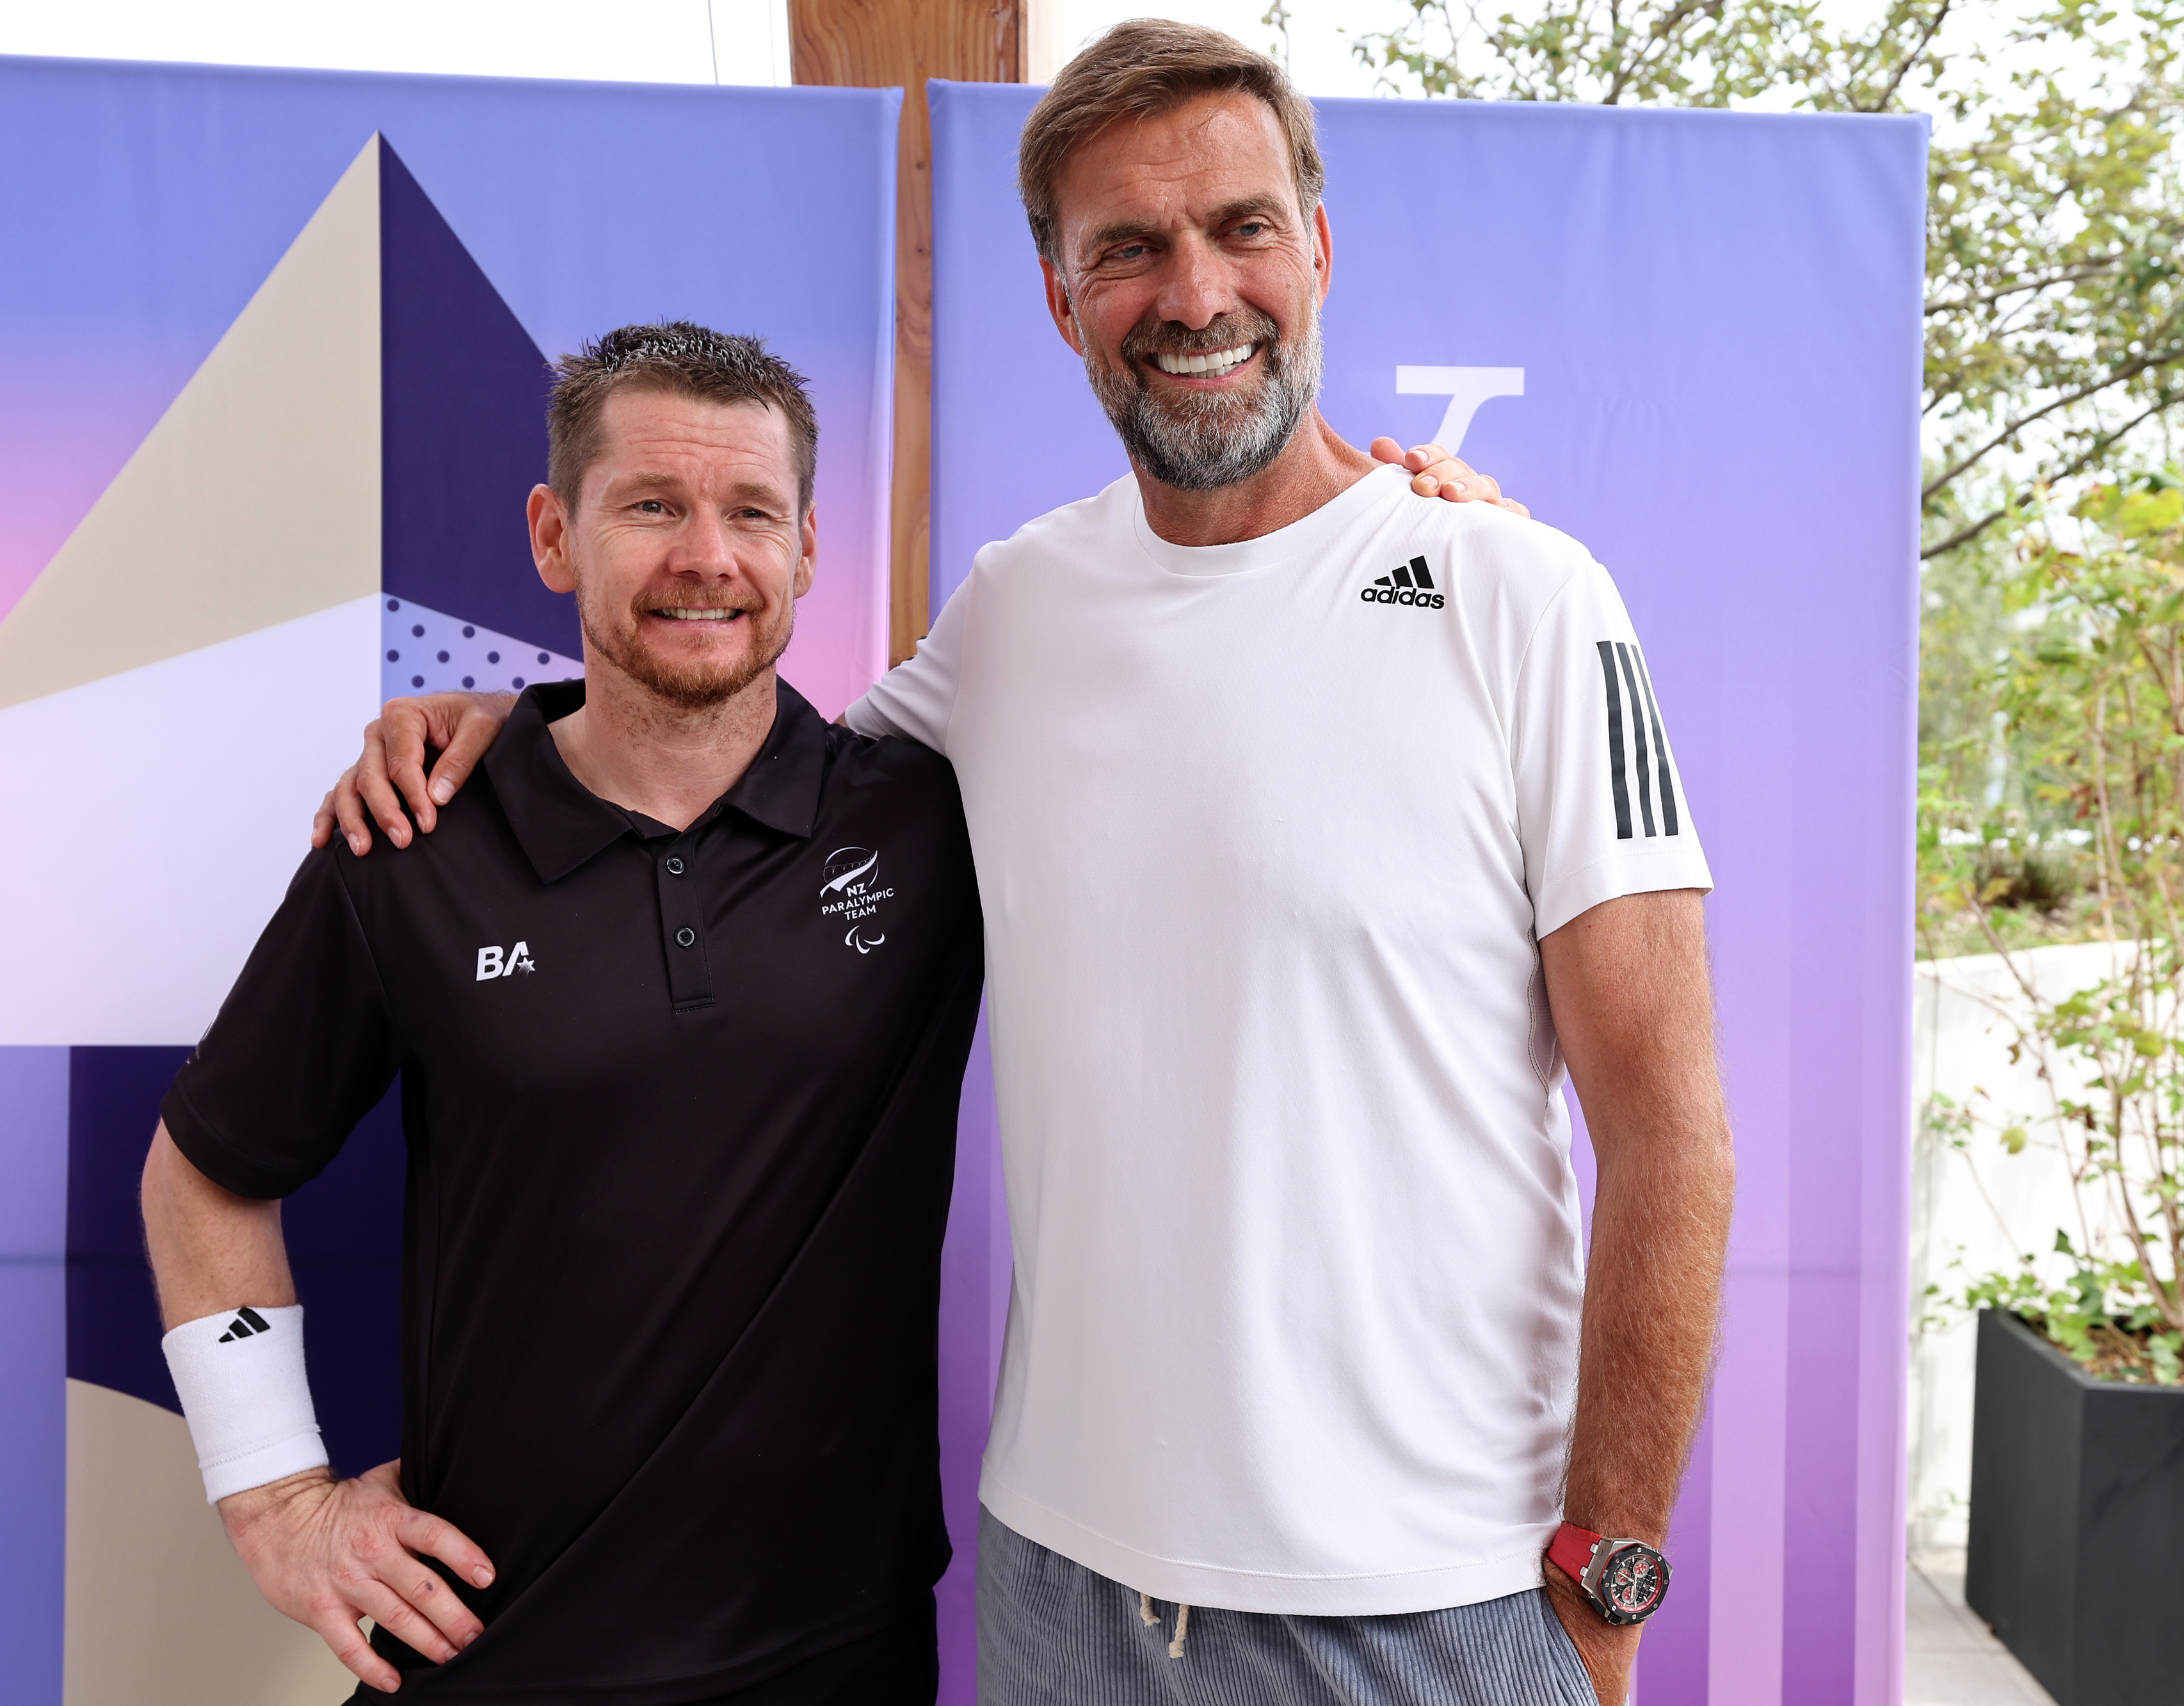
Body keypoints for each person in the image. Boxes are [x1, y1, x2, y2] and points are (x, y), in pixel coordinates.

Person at [325, 22, 1733, 1706]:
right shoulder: (1018, 608)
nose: (1195, 292)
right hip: (1063, 1597)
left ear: (1320, 250)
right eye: (1128, 248)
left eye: (1242, 228)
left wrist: (1610, 1579)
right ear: (1063, 301)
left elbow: (1672, 1134)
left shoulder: (1520, 597)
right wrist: (527, 716)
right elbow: (744, 776)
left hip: (1432, 1606)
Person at [143, 324, 986, 1703]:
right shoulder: (410, 840)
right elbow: (202, 1176)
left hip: (832, 1657)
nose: (706, 556)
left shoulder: (924, 817)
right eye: (650, 505)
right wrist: (276, 1498)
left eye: (750, 512)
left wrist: (1450, 531)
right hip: (490, 1653)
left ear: (807, 549)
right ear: (554, 533)